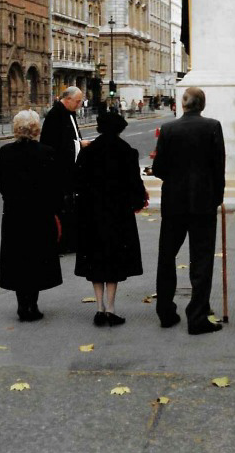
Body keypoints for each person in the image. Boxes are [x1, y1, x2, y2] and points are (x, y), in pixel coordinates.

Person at [152, 86, 225, 334]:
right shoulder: (212, 126)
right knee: (201, 259)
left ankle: (165, 310)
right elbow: (219, 167)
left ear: (182, 105)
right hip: (203, 202)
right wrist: (217, 197)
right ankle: (197, 315)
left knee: (167, 256)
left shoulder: (169, 129)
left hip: (174, 201)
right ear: (202, 105)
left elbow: (159, 167)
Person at [75, 110, 147, 326]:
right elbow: (135, 183)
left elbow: (78, 183)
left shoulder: (88, 152)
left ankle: (98, 308)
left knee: (96, 259)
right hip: (117, 214)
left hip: (92, 213)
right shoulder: (126, 151)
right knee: (113, 259)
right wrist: (136, 203)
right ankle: (111, 308)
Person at [0, 110, 63, 321]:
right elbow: (54, 187)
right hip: (39, 214)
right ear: (36, 129)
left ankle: (21, 304)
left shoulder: (5, 152)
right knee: (36, 257)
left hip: (15, 213)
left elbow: (2, 185)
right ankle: (32, 305)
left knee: (17, 257)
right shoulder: (47, 152)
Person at [40, 86, 91, 252]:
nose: (79, 104)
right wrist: (79, 144)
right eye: (77, 101)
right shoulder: (55, 115)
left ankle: (72, 240)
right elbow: (53, 144)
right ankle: (63, 242)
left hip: (70, 168)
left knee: (71, 206)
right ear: (67, 99)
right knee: (63, 207)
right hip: (60, 170)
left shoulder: (69, 113)